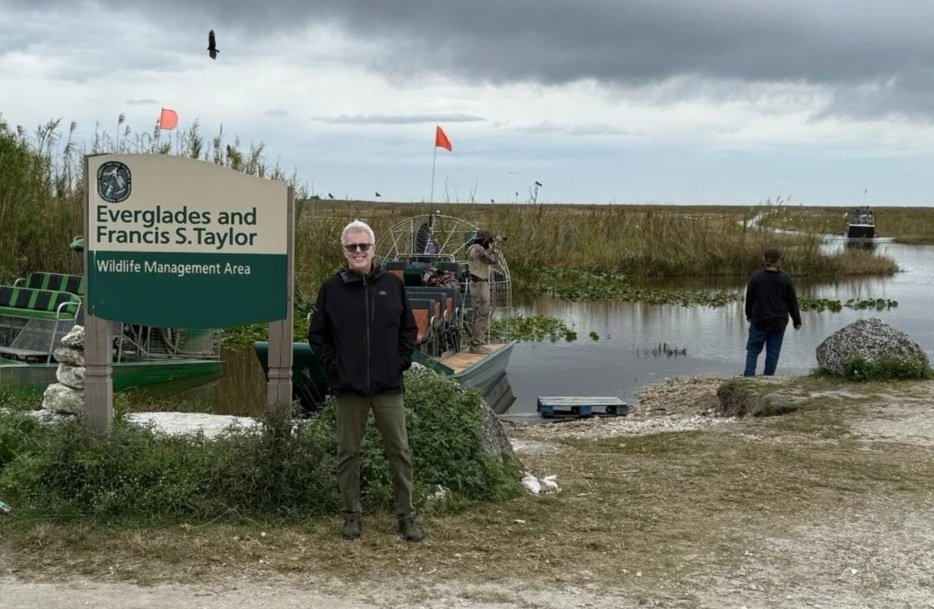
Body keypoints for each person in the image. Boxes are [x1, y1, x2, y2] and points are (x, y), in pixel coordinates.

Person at [307, 220, 424, 542]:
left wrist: (398, 364)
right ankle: (352, 516)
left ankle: (406, 516)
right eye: (352, 247)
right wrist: (336, 368)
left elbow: (409, 331)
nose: (358, 251)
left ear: (373, 248)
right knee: (348, 453)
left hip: (388, 386)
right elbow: (318, 336)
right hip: (349, 389)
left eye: (363, 246)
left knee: (399, 451)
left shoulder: (392, 284)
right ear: (344, 251)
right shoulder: (331, 288)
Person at [743, 248, 802, 376]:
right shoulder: (785, 279)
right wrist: (796, 320)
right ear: (778, 261)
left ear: (765, 260)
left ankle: (748, 377)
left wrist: (748, 315)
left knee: (753, 350)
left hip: (759, 320)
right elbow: (792, 302)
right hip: (778, 322)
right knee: (773, 352)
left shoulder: (756, 277)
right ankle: (768, 378)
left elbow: (749, 299)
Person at [465, 229, 503, 354]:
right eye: (489, 240)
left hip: (475, 283)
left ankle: (475, 343)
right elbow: (493, 260)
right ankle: (477, 344)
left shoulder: (473, 248)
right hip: (481, 283)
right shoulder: (478, 249)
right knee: (483, 313)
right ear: (485, 240)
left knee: (477, 314)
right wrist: (496, 246)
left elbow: (485, 256)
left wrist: (492, 247)